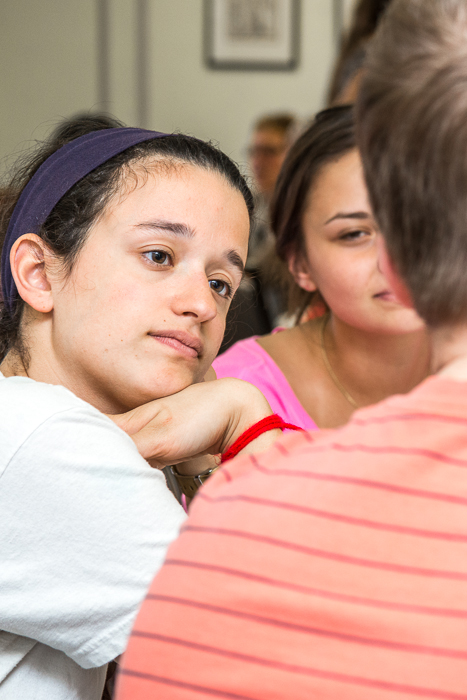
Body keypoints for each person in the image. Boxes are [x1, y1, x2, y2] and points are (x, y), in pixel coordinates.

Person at [115, 0, 467, 698]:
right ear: (300, 262)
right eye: (350, 234)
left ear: (408, 240)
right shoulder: (238, 414)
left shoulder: (249, 504)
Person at [0, 116, 281, 700]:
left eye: (223, 282)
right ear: (39, 273)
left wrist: (202, 460)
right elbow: (313, 654)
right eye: (158, 255)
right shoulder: (46, 437)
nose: (201, 302)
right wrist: (247, 415)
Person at [214, 105, 429, 430]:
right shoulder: (240, 387)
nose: (394, 260)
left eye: (417, 224)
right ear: (300, 263)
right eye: (354, 234)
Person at [220, 113, 298, 351]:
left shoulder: (300, 210)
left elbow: (264, 268)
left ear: (293, 155)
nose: (258, 161)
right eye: (254, 152)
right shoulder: (251, 204)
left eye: (269, 152)